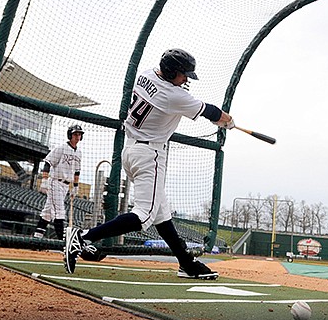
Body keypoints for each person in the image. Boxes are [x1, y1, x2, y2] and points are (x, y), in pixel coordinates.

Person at [63, 48, 234, 279]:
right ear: (172, 72)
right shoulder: (173, 95)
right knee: (144, 215)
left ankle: (186, 263)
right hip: (149, 155)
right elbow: (211, 112)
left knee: (161, 214)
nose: (185, 80)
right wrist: (228, 121)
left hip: (131, 150)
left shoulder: (147, 74)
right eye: (183, 75)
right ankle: (83, 237)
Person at [33, 124, 84, 240]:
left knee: (48, 212)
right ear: (70, 135)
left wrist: (75, 186)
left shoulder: (79, 153)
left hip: (66, 185)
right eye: (75, 134)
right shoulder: (61, 148)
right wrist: (44, 180)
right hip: (55, 181)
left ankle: (36, 239)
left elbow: (77, 172)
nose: (77, 136)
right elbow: (47, 163)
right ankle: (62, 242)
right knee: (60, 211)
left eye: (79, 134)